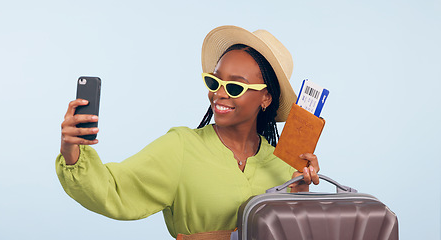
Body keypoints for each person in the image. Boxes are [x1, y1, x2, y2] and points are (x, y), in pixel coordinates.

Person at [56, 25, 320, 239]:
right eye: (214, 81)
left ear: (266, 98)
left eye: (236, 87)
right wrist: (72, 151)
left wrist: (300, 195)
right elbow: (113, 190)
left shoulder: (285, 165)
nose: (219, 93)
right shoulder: (180, 148)